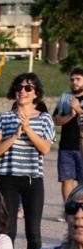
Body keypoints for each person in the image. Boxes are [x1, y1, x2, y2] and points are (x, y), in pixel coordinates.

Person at [0, 72, 55, 249]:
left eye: (28, 88)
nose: (22, 91)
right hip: (8, 180)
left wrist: (28, 130)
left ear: (36, 93)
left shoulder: (44, 119)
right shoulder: (3, 118)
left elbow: (45, 149)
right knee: (7, 231)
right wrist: (15, 136)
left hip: (33, 180)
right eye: (19, 87)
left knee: (33, 232)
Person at [54, 67, 83, 202]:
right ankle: (68, 210)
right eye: (72, 80)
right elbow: (56, 121)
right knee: (66, 181)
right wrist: (71, 115)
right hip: (66, 146)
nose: (74, 82)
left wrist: (78, 110)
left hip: (82, 147)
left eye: (78, 79)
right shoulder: (64, 97)